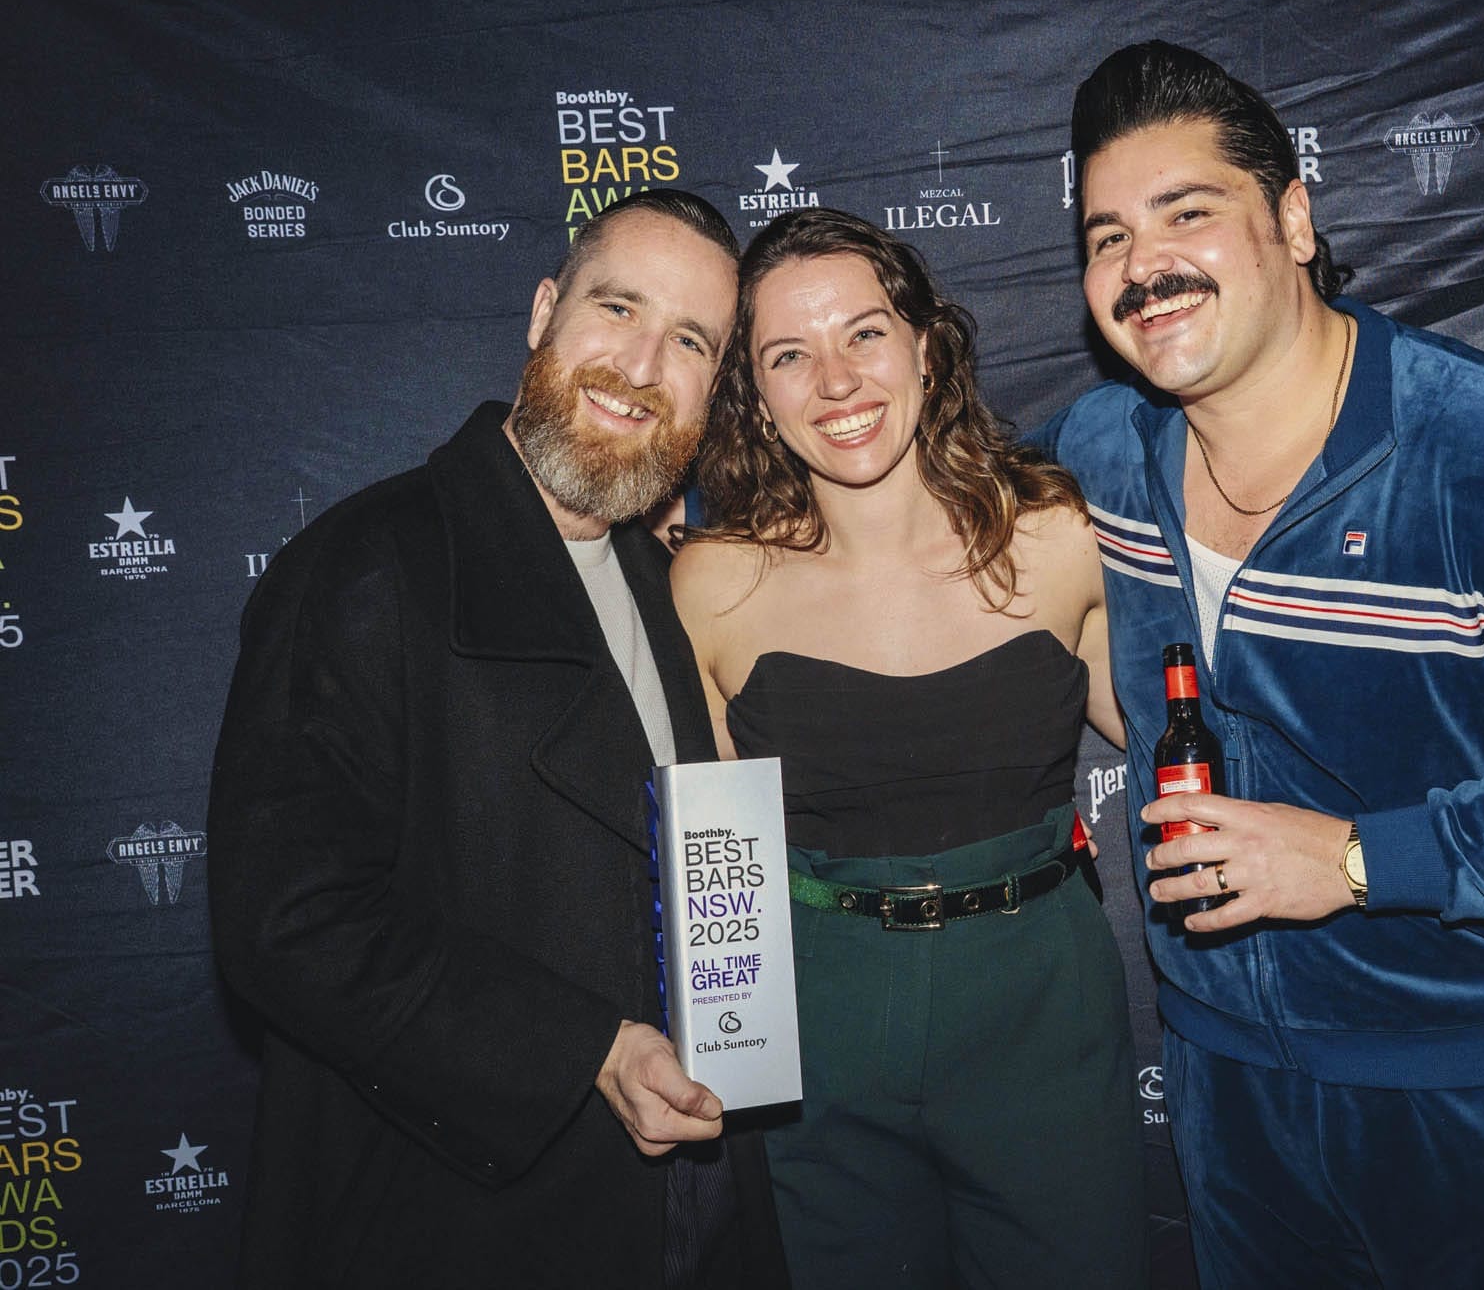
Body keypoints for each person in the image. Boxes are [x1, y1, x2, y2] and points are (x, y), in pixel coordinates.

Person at [1031, 41, 1484, 1289]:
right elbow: (916, 526)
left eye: (1186, 213)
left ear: (1293, 219)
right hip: (1227, 1092)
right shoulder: (1100, 452)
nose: (1142, 263)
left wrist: (1358, 858)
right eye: (1105, 237)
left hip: (1477, 1095)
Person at [207, 190, 788, 1289]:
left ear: (714, 390)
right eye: (616, 308)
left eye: (689, 341)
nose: (638, 365)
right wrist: (585, 1052)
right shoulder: (366, 566)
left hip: (676, 1202)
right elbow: (284, 923)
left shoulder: (670, 588)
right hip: (456, 1214)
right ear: (541, 313)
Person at [671, 207, 1146, 1290]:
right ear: (755, 391)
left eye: (863, 333)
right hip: (816, 1025)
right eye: (789, 354)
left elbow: (1203, 736)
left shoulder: (1060, 534)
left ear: (926, 347)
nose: (834, 381)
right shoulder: (712, 583)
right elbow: (705, 868)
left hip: (1038, 1002)